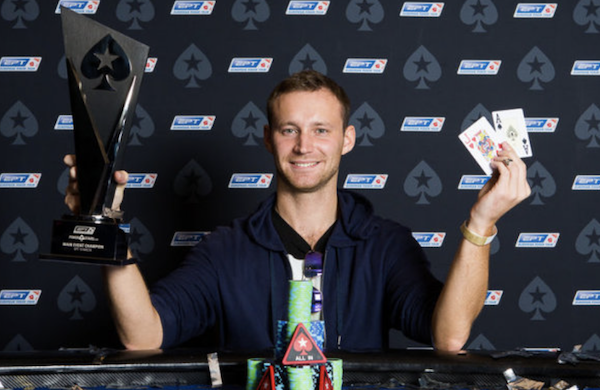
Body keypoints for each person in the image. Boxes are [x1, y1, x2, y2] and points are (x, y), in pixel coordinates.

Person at [64, 70, 531, 353]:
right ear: (269, 139)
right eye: (289, 130)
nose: (305, 146)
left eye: (321, 130)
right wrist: (105, 226)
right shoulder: (226, 250)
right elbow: (144, 336)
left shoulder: (385, 245)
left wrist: (481, 222)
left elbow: (448, 337)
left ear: (347, 140)